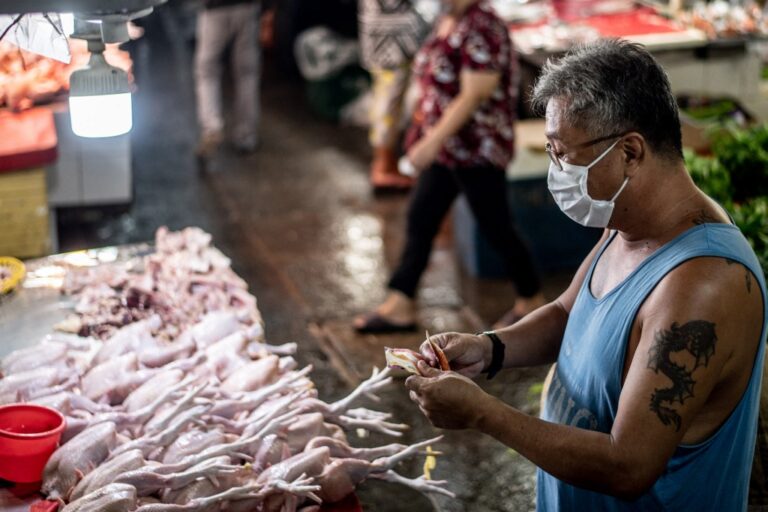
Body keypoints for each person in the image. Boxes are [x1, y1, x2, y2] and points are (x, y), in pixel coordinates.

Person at [404, 39, 767, 510]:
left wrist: (483, 413)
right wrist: (489, 348)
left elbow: (628, 465)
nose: (557, 170)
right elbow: (567, 313)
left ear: (630, 152)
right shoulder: (627, 221)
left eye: (562, 153)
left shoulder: (703, 285)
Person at [354, 0, 546, 333]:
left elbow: (475, 93)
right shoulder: (449, 19)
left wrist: (431, 142)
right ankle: (401, 301)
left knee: (496, 227)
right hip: (448, 150)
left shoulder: (483, 27)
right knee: (421, 217)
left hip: (476, 150)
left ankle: (533, 301)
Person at [358, 0, 432, 190]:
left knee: (389, 101)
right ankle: (382, 167)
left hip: (390, 34)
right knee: (388, 102)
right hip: (390, 37)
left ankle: (386, 163)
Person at [194, 0, 261, 157]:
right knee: (247, 73)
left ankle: (212, 128)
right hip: (248, 7)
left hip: (215, 9)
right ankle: (246, 135)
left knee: (207, 70)